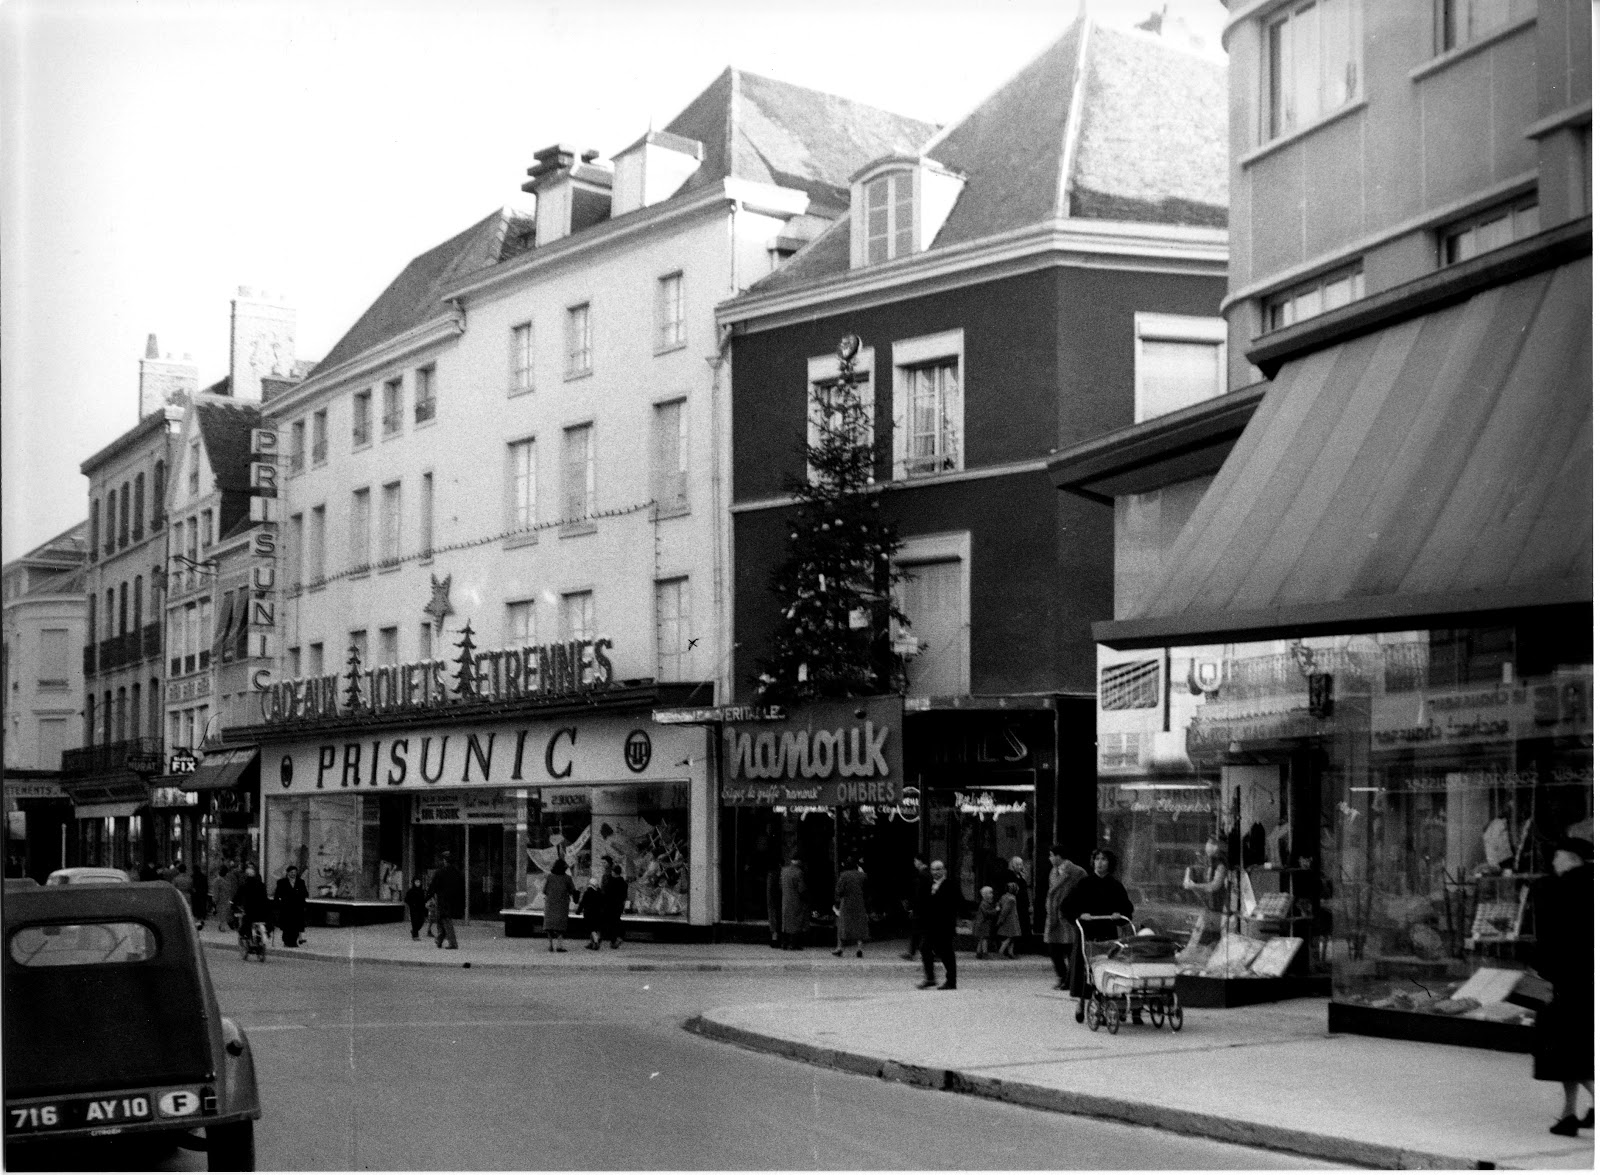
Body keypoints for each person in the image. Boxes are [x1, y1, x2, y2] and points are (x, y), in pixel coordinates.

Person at [1532, 837, 1594, 1136]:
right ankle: (1569, 1113)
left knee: (1566, 1047)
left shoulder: (1562, 889)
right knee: (1576, 1049)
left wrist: (1542, 969)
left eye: (1556, 855)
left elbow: (1551, 937)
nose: (1553, 862)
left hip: (1570, 981)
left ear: (1570, 857)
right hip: (1586, 981)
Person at [1042, 844, 1087, 992]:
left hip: (1067, 916)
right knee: (1054, 949)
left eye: (1051, 855)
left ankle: (1070, 980)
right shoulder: (1053, 872)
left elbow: (1083, 893)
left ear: (1058, 856)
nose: (1049, 858)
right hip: (1054, 915)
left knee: (1069, 950)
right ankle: (1062, 976)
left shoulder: (1077, 872)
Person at [915, 859, 959, 990]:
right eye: (933, 869)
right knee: (924, 948)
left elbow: (954, 905)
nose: (936, 872)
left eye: (939, 869)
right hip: (930, 926)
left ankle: (951, 981)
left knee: (946, 953)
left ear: (944, 870)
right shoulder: (928, 885)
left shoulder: (950, 885)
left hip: (944, 926)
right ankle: (930, 978)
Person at [832, 858, 869, 957]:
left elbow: (839, 890)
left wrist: (837, 901)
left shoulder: (844, 875)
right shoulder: (862, 875)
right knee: (859, 926)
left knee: (843, 926)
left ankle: (840, 948)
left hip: (847, 903)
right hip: (859, 903)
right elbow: (867, 888)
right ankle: (859, 948)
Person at [427, 851, 462, 949]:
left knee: (445, 920)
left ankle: (452, 943)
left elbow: (433, 887)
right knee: (442, 920)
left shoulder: (440, 872)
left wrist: (427, 898)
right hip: (453, 901)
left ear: (445, 861)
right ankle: (439, 940)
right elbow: (461, 888)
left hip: (443, 901)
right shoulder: (457, 873)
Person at [232, 863, 271, 949]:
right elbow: (265, 898)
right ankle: (264, 936)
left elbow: (237, 897)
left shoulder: (244, 886)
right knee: (266, 923)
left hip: (250, 911)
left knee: (245, 925)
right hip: (262, 912)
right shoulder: (261, 885)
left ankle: (246, 938)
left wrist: (234, 905)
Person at [542, 856, 576, 953]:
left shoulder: (549, 877)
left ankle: (550, 945)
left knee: (549, 926)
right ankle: (559, 946)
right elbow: (572, 890)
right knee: (561, 926)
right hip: (562, 905)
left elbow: (544, 890)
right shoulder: (567, 878)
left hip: (550, 904)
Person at [901, 855, 931, 961]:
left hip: (922, 908)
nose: (914, 863)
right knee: (919, 930)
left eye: (915, 860)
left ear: (920, 861)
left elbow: (919, 894)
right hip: (925, 907)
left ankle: (915, 952)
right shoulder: (927, 874)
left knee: (919, 930)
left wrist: (913, 907)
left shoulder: (922, 875)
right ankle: (913, 952)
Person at [273, 865, 310, 948]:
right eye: (292, 872)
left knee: (296, 925)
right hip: (286, 907)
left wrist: (301, 896)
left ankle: (293, 942)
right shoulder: (282, 882)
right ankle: (286, 941)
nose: (293, 874)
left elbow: (305, 893)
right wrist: (277, 904)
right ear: (288, 873)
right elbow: (277, 894)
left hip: (297, 907)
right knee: (287, 925)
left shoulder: (300, 882)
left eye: (295, 872)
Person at [779, 853, 807, 950]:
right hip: (796, 900)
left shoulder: (784, 871)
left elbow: (780, 885)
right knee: (796, 922)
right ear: (799, 861)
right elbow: (801, 889)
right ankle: (793, 944)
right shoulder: (799, 872)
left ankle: (784, 943)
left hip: (785, 900)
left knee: (785, 922)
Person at [602, 861, 628, 948]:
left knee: (611, 922)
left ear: (614, 872)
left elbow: (606, 893)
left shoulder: (611, 882)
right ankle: (619, 937)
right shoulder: (623, 883)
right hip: (619, 905)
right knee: (616, 920)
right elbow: (624, 895)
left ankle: (614, 939)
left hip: (610, 905)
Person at [1008, 856, 1033, 946]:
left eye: (1020, 864)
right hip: (1016, 903)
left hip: (1023, 903)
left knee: (1024, 923)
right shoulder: (1010, 875)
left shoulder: (1021, 876)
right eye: (1017, 864)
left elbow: (1026, 890)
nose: (1020, 866)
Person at [578, 873, 607, 950]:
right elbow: (603, 903)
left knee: (591, 929)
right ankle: (593, 942)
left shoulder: (587, 893)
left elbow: (582, 903)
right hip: (598, 914)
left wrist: (578, 911)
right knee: (596, 928)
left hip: (589, 914)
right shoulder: (600, 893)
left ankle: (596, 941)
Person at [996, 881, 1022, 958]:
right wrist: (1001, 920)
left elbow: (999, 904)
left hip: (1007, 920)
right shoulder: (1012, 899)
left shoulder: (1003, 897)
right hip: (1011, 921)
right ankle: (1001, 951)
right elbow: (1005, 911)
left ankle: (1011, 953)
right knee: (1010, 937)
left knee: (1012, 938)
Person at [971, 885, 998, 959]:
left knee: (981, 939)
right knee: (984, 939)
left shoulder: (985, 903)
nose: (992, 895)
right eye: (990, 893)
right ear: (985, 895)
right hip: (983, 924)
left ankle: (979, 953)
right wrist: (996, 910)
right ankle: (985, 953)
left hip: (982, 923)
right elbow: (987, 913)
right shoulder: (984, 904)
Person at [765, 855, 784, 949]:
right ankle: (776, 939)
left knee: (773, 920)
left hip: (771, 900)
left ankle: (774, 939)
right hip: (777, 899)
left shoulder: (770, 875)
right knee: (777, 920)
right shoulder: (778, 874)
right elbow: (779, 888)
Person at [213, 859, 238, 932]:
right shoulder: (228, 880)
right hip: (227, 899)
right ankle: (224, 925)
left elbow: (216, 892)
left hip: (221, 900)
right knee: (226, 913)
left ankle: (223, 926)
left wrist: (214, 901)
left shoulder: (217, 880)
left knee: (222, 913)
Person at [190, 861, 210, 930]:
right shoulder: (204, 876)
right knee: (202, 908)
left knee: (196, 909)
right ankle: (201, 920)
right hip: (202, 895)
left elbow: (191, 886)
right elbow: (206, 886)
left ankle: (197, 922)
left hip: (195, 895)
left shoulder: (192, 877)